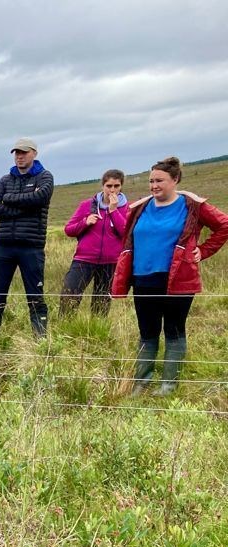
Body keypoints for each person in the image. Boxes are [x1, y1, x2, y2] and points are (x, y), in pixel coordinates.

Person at [112, 156, 228, 395]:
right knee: (147, 331)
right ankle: (141, 384)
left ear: (175, 180)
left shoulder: (192, 205)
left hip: (177, 279)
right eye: (151, 181)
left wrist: (203, 251)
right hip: (142, 279)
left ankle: (168, 385)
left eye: (160, 181)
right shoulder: (140, 208)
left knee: (174, 330)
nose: (154, 185)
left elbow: (224, 225)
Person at [0, 138, 54, 351]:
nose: (19, 156)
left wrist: (8, 199)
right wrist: (22, 206)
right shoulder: (5, 179)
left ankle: (40, 341)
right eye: (16, 153)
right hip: (4, 247)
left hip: (31, 247)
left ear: (34, 153)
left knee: (35, 295)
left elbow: (41, 198)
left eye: (24, 152)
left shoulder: (45, 177)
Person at [59, 170, 128, 317]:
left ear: (121, 186)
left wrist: (114, 211)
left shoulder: (127, 207)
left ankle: (96, 333)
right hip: (84, 259)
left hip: (110, 262)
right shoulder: (87, 205)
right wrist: (85, 222)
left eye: (116, 186)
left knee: (101, 303)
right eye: (109, 185)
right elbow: (68, 230)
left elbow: (126, 233)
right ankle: (64, 329)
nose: (112, 190)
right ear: (102, 185)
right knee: (69, 295)